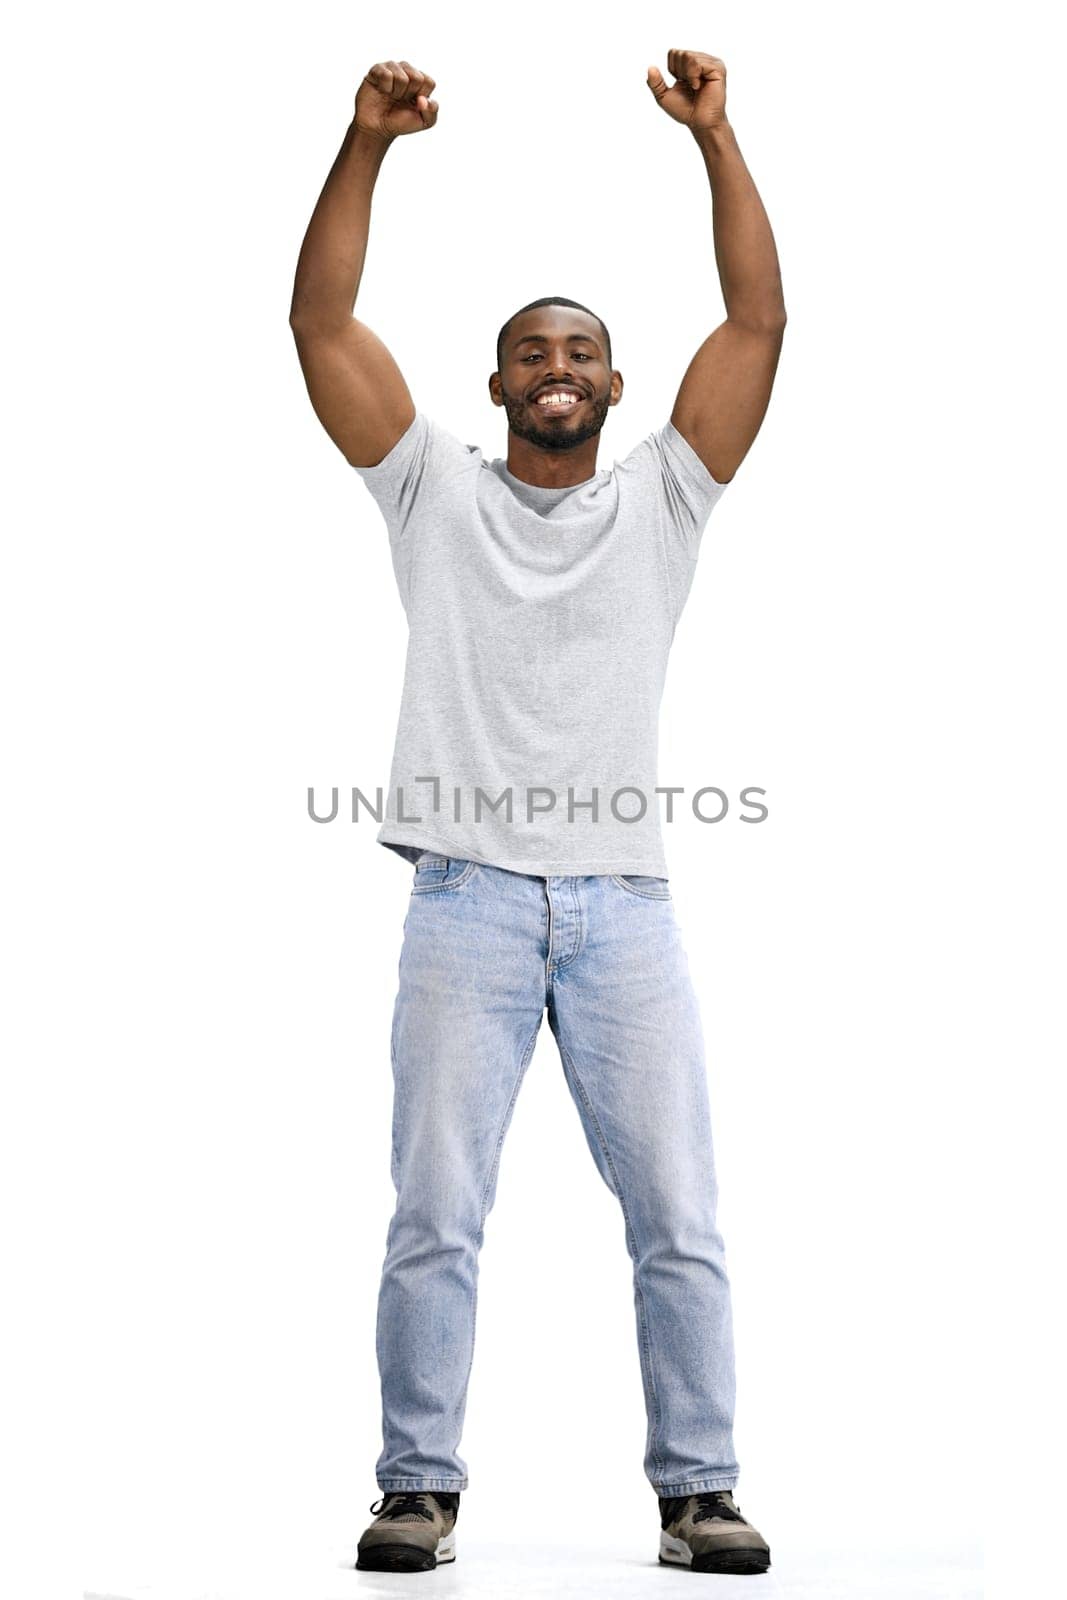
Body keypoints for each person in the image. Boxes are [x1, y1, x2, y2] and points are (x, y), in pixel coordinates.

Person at [289, 48, 786, 1577]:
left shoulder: (666, 494)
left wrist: (718, 138)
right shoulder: (430, 487)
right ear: (498, 385)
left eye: (581, 348)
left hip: (625, 906)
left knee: (679, 1216)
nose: (557, 363)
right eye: (530, 351)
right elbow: (319, 325)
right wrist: (365, 142)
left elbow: (758, 321)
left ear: (616, 384)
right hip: (466, 902)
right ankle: (416, 1487)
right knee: (436, 1210)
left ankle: (699, 1491)